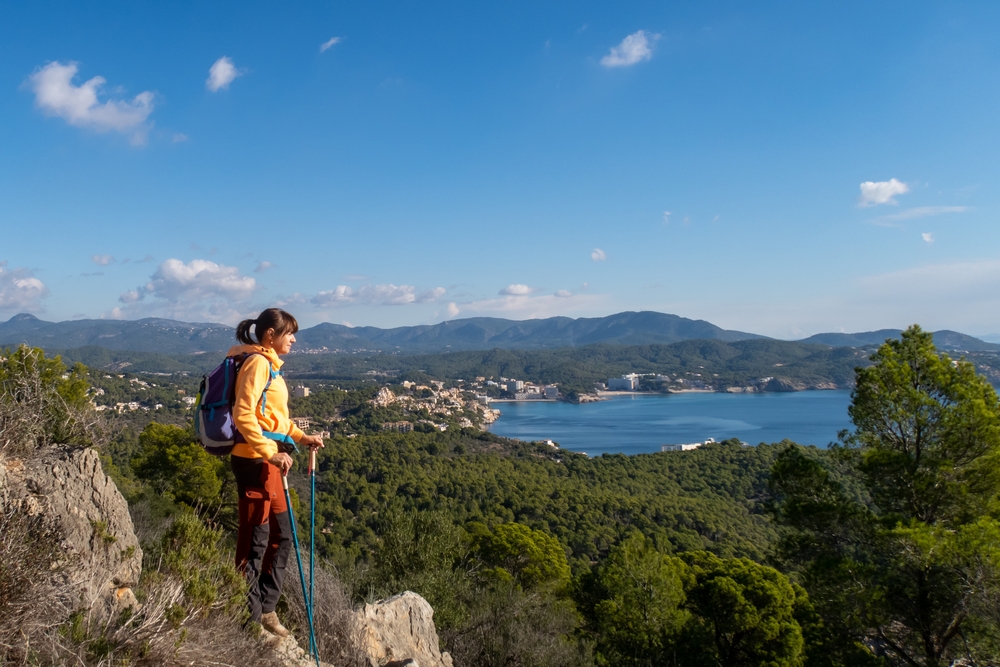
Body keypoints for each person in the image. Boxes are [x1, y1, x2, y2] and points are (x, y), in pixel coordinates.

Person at [229, 308, 323, 641]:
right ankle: (249, 619)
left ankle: (265, 609)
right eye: (290, 334)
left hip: (268, 463)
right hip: (255, 463)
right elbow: (243, 413)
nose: (294, 340)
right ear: (271, 335)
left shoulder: (269, 366)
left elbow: (272, 418)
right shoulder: (256, 363)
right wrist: (270, 452)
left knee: (281, 537)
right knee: (256, 542)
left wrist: (301, 437)